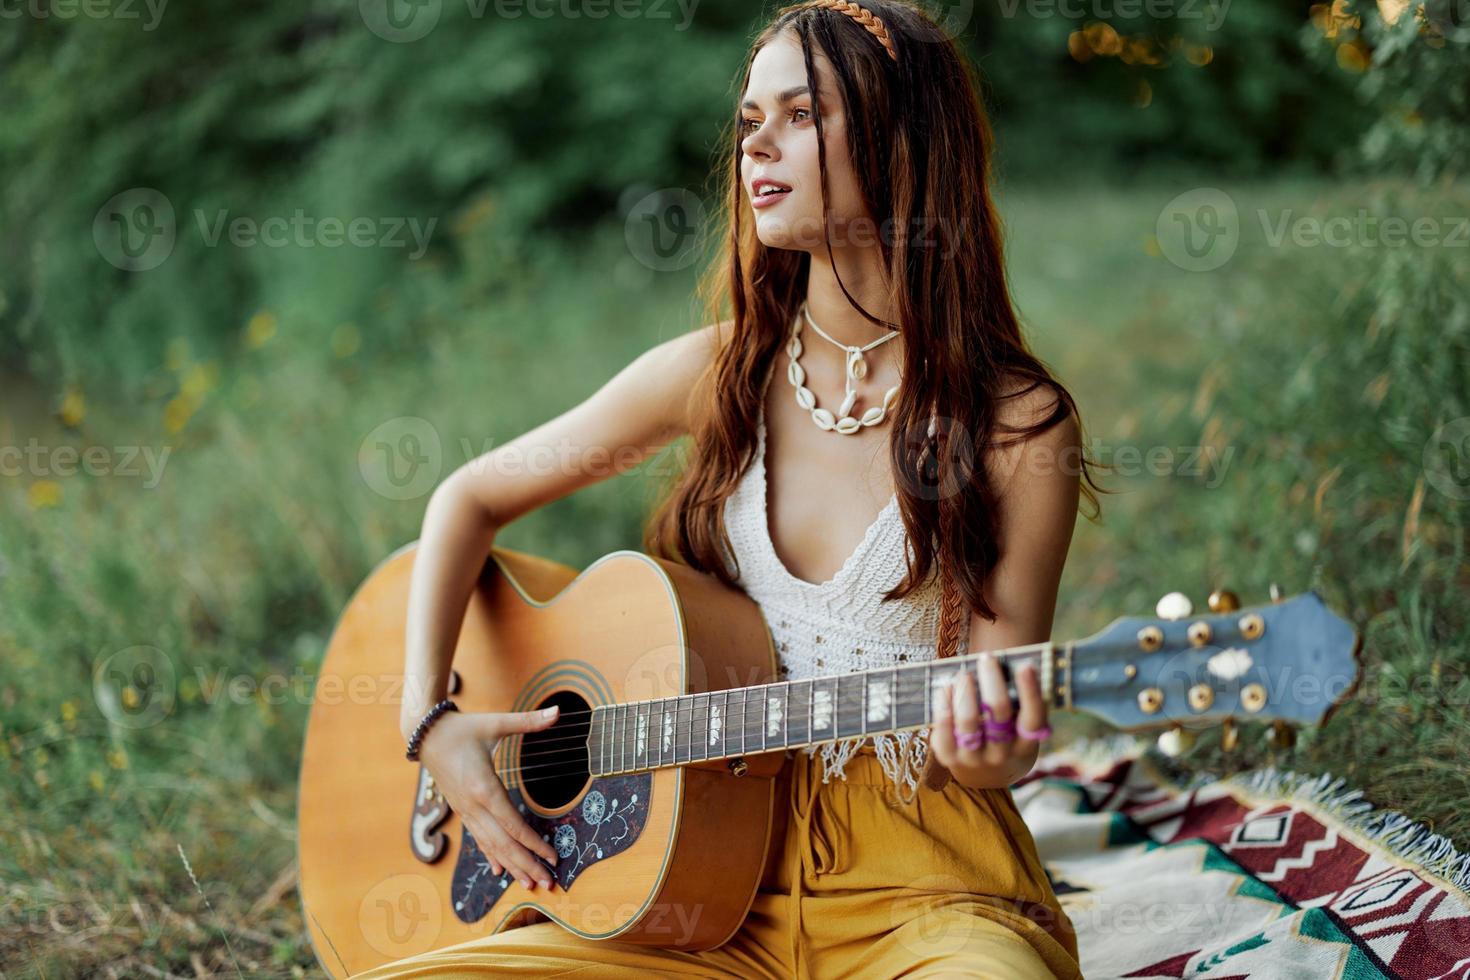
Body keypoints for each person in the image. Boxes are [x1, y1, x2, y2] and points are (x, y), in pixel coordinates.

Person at [361, 1, 1104, 976]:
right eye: (752, 120)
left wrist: (989, 735)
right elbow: (467, 498)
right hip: (697, 897)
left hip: (926, 894)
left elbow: (994, 752)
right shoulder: (718, 375)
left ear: (908, 139)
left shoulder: (1015, 426)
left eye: (803, 114)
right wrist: (434, 722)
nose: (760, 144)